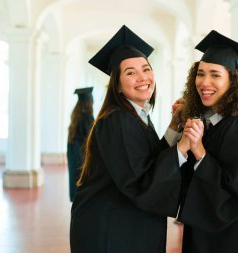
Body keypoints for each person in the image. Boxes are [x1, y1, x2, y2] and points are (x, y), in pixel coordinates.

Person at [70, 25, 188, 253]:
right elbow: (141, 182)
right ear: (117, 86)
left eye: (146, 69)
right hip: (110, 227)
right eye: (131, 72)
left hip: (122, 221)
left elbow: (152, 159)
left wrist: (174, 127)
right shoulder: (118, 120)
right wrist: (182, 147)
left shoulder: (136, 114)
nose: (143, 78)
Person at [177, 30, 238, 253]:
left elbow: (236, 193)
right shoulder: (211, 120)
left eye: (215, 75)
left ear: (232, 81)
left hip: (230, 235)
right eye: (200, 74)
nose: (204, 82)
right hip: (207, 227)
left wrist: (199, 151)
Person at [67, 87, 94, 202]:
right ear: (89, 102)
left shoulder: (76, 117)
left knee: (76, 183)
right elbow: (93, 140)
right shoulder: (88, 118)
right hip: (83, 158)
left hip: (74, 157)